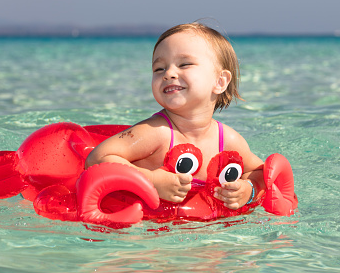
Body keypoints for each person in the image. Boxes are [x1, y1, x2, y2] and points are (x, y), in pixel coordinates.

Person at [85, 22, 264, 210]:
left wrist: (248, 189)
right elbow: (97, 158)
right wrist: (151, 179)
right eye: (159, 69)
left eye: (184, 64)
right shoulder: (156, 132)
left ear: (220, 81)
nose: (168, 73)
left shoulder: (227, 140)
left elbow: (259, 172)